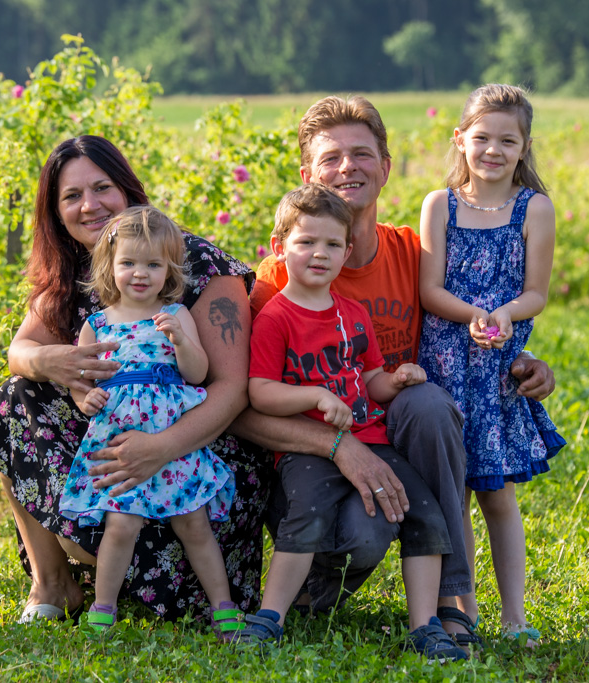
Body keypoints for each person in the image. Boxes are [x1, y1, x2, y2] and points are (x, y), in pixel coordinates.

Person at [236, 95, 556, 648]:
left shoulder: (415, 251)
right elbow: (245, 405)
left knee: (427, 405)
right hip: (311, 457)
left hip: (391, 438)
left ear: (385, 168)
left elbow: (472, 319)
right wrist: (339, 446)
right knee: (355, 535)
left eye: (362, 154)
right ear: (308, 175)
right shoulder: (279, 280)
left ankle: (449, 606)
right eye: (331, 158)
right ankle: (307, 589)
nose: (348, 167)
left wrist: (521, 361)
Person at [0, 135, 269, 623]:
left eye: (102, 187)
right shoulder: (73, 272)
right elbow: (19, 351)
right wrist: (56, 364)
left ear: (127, 188)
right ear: (56, 212)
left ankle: (197, 592)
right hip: (116, 443)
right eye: (71, 196)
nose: (89, 205)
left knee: (185, 517)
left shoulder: (193, 262)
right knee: (17, 396)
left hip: (196, 451)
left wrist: (161, 448)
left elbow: (231, 388)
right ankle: (53, 585)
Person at [241, 184, 467, 661]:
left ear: (346, 252)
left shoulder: (353, 314)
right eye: (306, 242)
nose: (319, 254)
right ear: (279, 247)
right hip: (307, 449)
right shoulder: (276, 317)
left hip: (370, 438)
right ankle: (270, 616)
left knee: (424, 511)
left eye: (331, 244)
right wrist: (316, 396)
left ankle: (425, 626)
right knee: (307, 513)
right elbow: (260, 391)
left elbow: (369, 381)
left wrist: (398, 379)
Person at [417, 84, 566, 647]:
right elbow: (430, 290)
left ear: (525, 147)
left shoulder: (535, 208)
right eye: (482, 138)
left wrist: (503, 314)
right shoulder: (440, 204)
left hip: (495, 372)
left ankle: (515, 616)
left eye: (508, 140)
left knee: (497, 495)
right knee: (453, 493)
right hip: (445, 365)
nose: (493, 150)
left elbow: (536, 294)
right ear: (461, 139)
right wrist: (473, 314)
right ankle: (464, 610)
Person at [59, 205, 244, 639]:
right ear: (110, 265)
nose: (140, 274)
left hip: (170, 439)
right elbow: (81, 380)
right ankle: (103, 609)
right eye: (128, 263)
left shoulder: (176, 315)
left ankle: (224, 607)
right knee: (121, 524)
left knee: (194, 522)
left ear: (169, 269)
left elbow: (197, 374)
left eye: (153, 265)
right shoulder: (97, 324)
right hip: (119, 441)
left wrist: (181, 341)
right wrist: (86, 398)